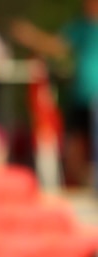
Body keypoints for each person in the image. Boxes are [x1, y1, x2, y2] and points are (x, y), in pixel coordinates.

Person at [11, 0, 98, 188]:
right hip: (81, 97)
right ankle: (89, 188)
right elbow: (57, 46)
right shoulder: (80, 26)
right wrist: (32, 38)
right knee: (73, 149)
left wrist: (31, 36)